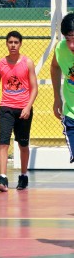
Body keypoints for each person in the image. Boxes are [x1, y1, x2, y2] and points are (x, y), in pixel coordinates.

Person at [0, 31, 38, 192]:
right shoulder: (1, 64)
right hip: (6, 108)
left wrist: (28, 106)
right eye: (10, 42)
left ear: (20, 44)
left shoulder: (28, 63)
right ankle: (3, 177)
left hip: (23, 109)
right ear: (6, 44)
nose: (13, 45)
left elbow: (35, 88)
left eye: (16, 42)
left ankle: (23, 175)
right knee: (3, 141)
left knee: (23, 144)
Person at [50, 12, 74, 162]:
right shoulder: (60, 49)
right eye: (68, 39)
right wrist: (57, 97)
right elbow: (54, 67)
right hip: (71, 115)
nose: (71, 45)